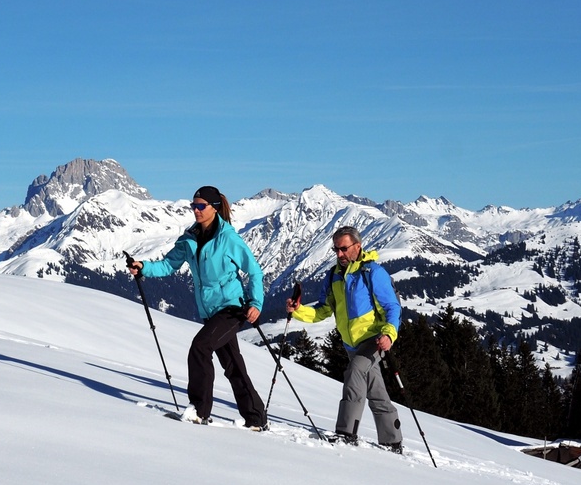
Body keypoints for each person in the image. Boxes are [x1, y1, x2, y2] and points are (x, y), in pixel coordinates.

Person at [127, 185, 268, 430]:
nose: (196, 210)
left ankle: (199, 410)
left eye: (201, 206)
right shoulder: (189, 239)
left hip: (232, 308)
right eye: (193, 205)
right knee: (232, 364)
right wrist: (144, 267)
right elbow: (168, 265)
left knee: (200, 347)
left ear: (214, 208)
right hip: (209, 311)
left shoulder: (228, 238)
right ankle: (256, 417)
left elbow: (254, 270)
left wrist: (256, 302)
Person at [286, 226, 404, 453]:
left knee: (355, 372)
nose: (339, 254)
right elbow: (322, 311)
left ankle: (346, 433)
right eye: (336, 249)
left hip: (375, 340)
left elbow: (392, 307)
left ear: (357, 247)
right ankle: (392, 440)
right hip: (351, 344)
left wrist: (389, 334)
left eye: (344, 249)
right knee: (375, 390)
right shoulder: (333, 277)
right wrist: (298, 310)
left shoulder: (373, 273)